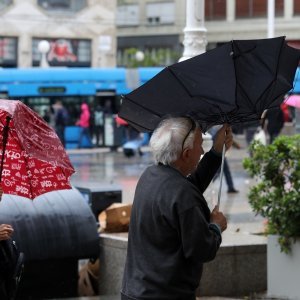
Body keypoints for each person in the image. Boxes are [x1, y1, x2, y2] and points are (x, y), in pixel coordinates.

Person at [121, 117, 232, 300]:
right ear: (187, 153)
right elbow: (202, 249)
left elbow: (186, 188)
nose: (202, 150)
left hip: (135, 291)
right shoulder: (182, 194)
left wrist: (216, 152)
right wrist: (215, 227)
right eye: (200, 145)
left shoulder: (150, 176)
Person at [209, 126, 239, 193]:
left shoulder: (220, 128)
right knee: (218, 171)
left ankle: (230, 187)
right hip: (219, 154)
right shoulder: (219, 129)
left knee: (225, 170)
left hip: (221, 154)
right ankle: (208, 183)